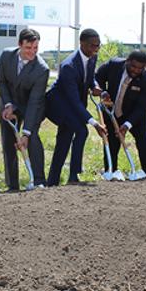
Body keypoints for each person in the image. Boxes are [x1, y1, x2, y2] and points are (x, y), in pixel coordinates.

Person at [45, 28, 107, 186]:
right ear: (82, 43)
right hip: (58, 105)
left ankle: (52, 181)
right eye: (92, 45)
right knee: (82, 130)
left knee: (64, 140)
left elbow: (90, 78)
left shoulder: (92, 57)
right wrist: (94, 123)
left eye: (98, 46)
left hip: (73, 105)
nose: (96, 49)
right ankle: (73, 175)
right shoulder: (69, 66)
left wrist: (95, 86)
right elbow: (73, 100)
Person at [0, 28, 50, 190]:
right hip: (9, 103)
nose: (32, 52)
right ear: (19, 44)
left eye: (36, 48)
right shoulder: (6, 56)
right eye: (28, 48)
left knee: (31, 137)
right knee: (9, 141)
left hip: (31, 106)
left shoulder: (42, 69)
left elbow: (34, 102)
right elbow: (2, 82)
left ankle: (39, 180)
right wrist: (7, 105)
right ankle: (12, 184)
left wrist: (25, 133)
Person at [95, 50, 146, 175]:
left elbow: (142, 107)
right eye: (133, 66)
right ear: (127, 61)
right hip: (112, 111)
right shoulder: (114, 65)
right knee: (111, 142)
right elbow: (96, 77)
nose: (135, 70)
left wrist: (127, 124)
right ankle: (111, 172)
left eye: (140, 68)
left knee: (143, 142)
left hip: (135, 116)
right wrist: (102, 91)